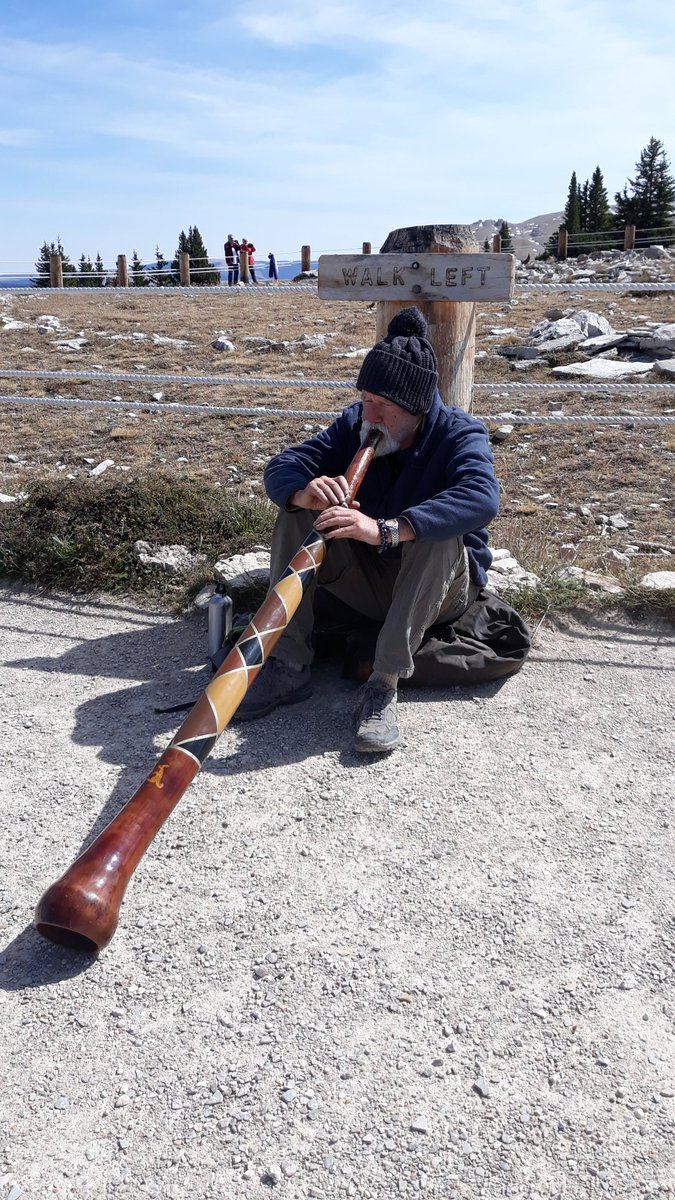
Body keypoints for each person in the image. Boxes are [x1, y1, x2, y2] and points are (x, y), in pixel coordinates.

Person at [235, 307, 500, 753]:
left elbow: (481, 496)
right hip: (371, 583)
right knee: (296, 511)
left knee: (437, 534)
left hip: (437, 591)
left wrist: (388, 530)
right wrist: (305, 491)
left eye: (383, 407)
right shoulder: (355, 422)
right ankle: (288, 665)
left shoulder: (459, 433)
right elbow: (282, 467)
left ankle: (383, 685)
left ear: (416, 408)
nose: (369, 415)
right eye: (365, 398)